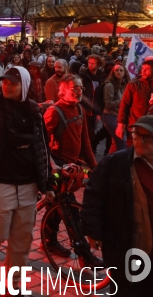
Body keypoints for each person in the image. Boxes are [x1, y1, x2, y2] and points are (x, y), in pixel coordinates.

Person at [0, 67, 55, 287]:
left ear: (24, 86)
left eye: (13, 83)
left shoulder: (34, 110)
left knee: (22, 240)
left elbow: (42, 147)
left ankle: (13, 284)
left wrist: (47, 182)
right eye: (5, 82)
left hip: (28, 186)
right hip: (0, 184)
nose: (7, 86)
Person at [82, 115, 153, 296]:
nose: (140, 141)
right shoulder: (115, 163)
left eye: (147, 137)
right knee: (124, 287)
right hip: (124, 242)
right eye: (137, 135)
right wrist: (93, 231)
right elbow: (93, 195)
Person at [42, 74, 99, 260]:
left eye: (81, 87)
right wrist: (52, 169)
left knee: (58, 207)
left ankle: (49, 241)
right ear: (63, 90)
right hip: (58, 168)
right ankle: (84, 256)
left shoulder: (80, 109)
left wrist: (94, 166)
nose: (80, 91)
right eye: (75, 87)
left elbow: (85, 141)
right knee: (70, 212)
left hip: (71, 166)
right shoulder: (54, 112)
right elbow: (41, 143)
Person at [116, 61, 153, 145]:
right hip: (135, 126)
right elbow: (124, 105)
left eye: (147, 69)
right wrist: (120, 123)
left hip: (151, 128)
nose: (143, 71)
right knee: (132, 152)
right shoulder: (133, 85)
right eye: (142, 69)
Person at [102, 64, 130, 153]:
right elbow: (108, 104)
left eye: (121, 70)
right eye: (116, 70)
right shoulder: (110, 85)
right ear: (113, 72)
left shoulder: (124, 85)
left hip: (119, 116)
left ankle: (109, 164)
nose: (119, 72)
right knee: (122, 142)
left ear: (125, 72)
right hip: (110, 116)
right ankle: (121, 165)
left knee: (115, 145)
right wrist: (122, 100)